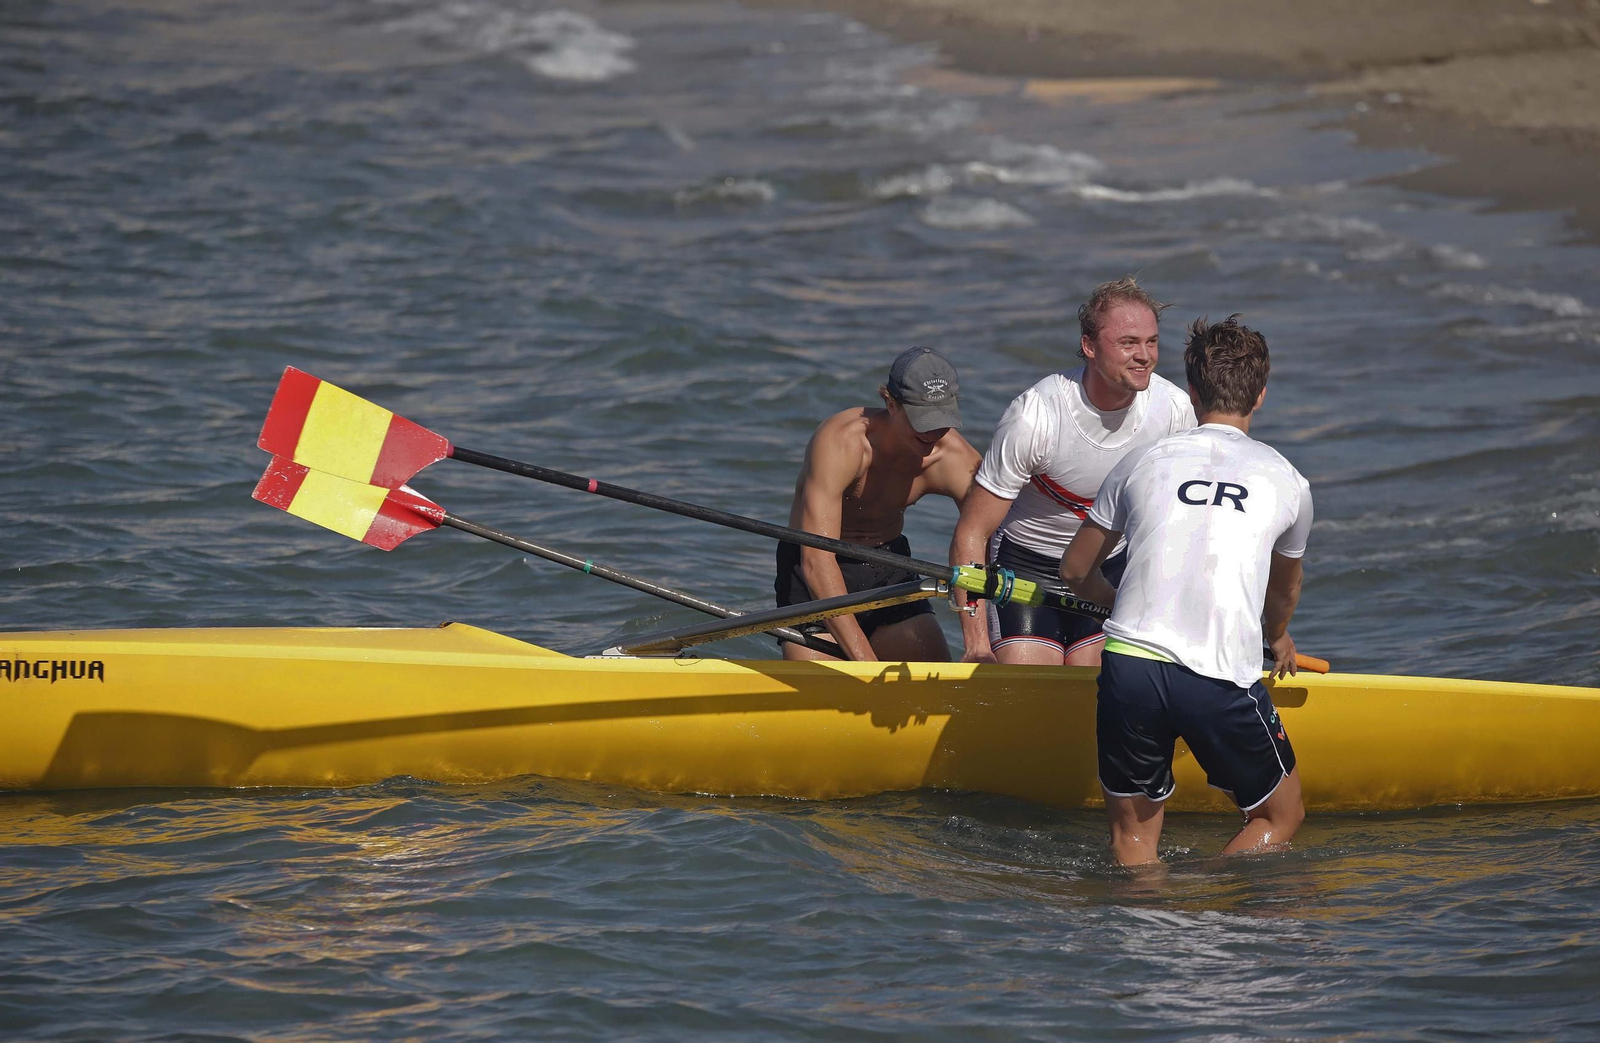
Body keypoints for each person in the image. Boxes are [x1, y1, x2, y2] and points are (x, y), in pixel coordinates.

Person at [1060, 315, 1312, 866]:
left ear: (1192, 392)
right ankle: (1211, 896)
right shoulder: (1289, 481)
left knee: (1132, 840)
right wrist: (1280, 637)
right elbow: (1283, 592)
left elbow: (1075, 570)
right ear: (1261, 395)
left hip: (1130, 664)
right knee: (1279, 815)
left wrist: (1115, 602)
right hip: (1218, 673)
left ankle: (1147, 941)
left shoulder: (1140, 461)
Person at [948, 277, 1195, 666]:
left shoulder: (1174, 410)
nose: (1145, 355)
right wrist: (976, 645)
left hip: (1109, 572)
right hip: (1026, 569)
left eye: (1151, 341)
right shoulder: (1036, 416)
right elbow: (972, 532)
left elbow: (1185, 522)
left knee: (1091, 682)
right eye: (1128, 343)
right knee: (1030, 682)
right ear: (1089, 346)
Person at [776, 347, 981, 662]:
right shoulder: (843, 443)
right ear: (891, 405)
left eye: (942, 419)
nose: (933, 433)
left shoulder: (955, 458)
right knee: (834, 699)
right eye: (922, 419)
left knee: (937, 692)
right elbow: (817, 561)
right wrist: (867, 665)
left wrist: (978, 645)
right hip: (815, 569)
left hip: (887, 569)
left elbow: (986, 544)